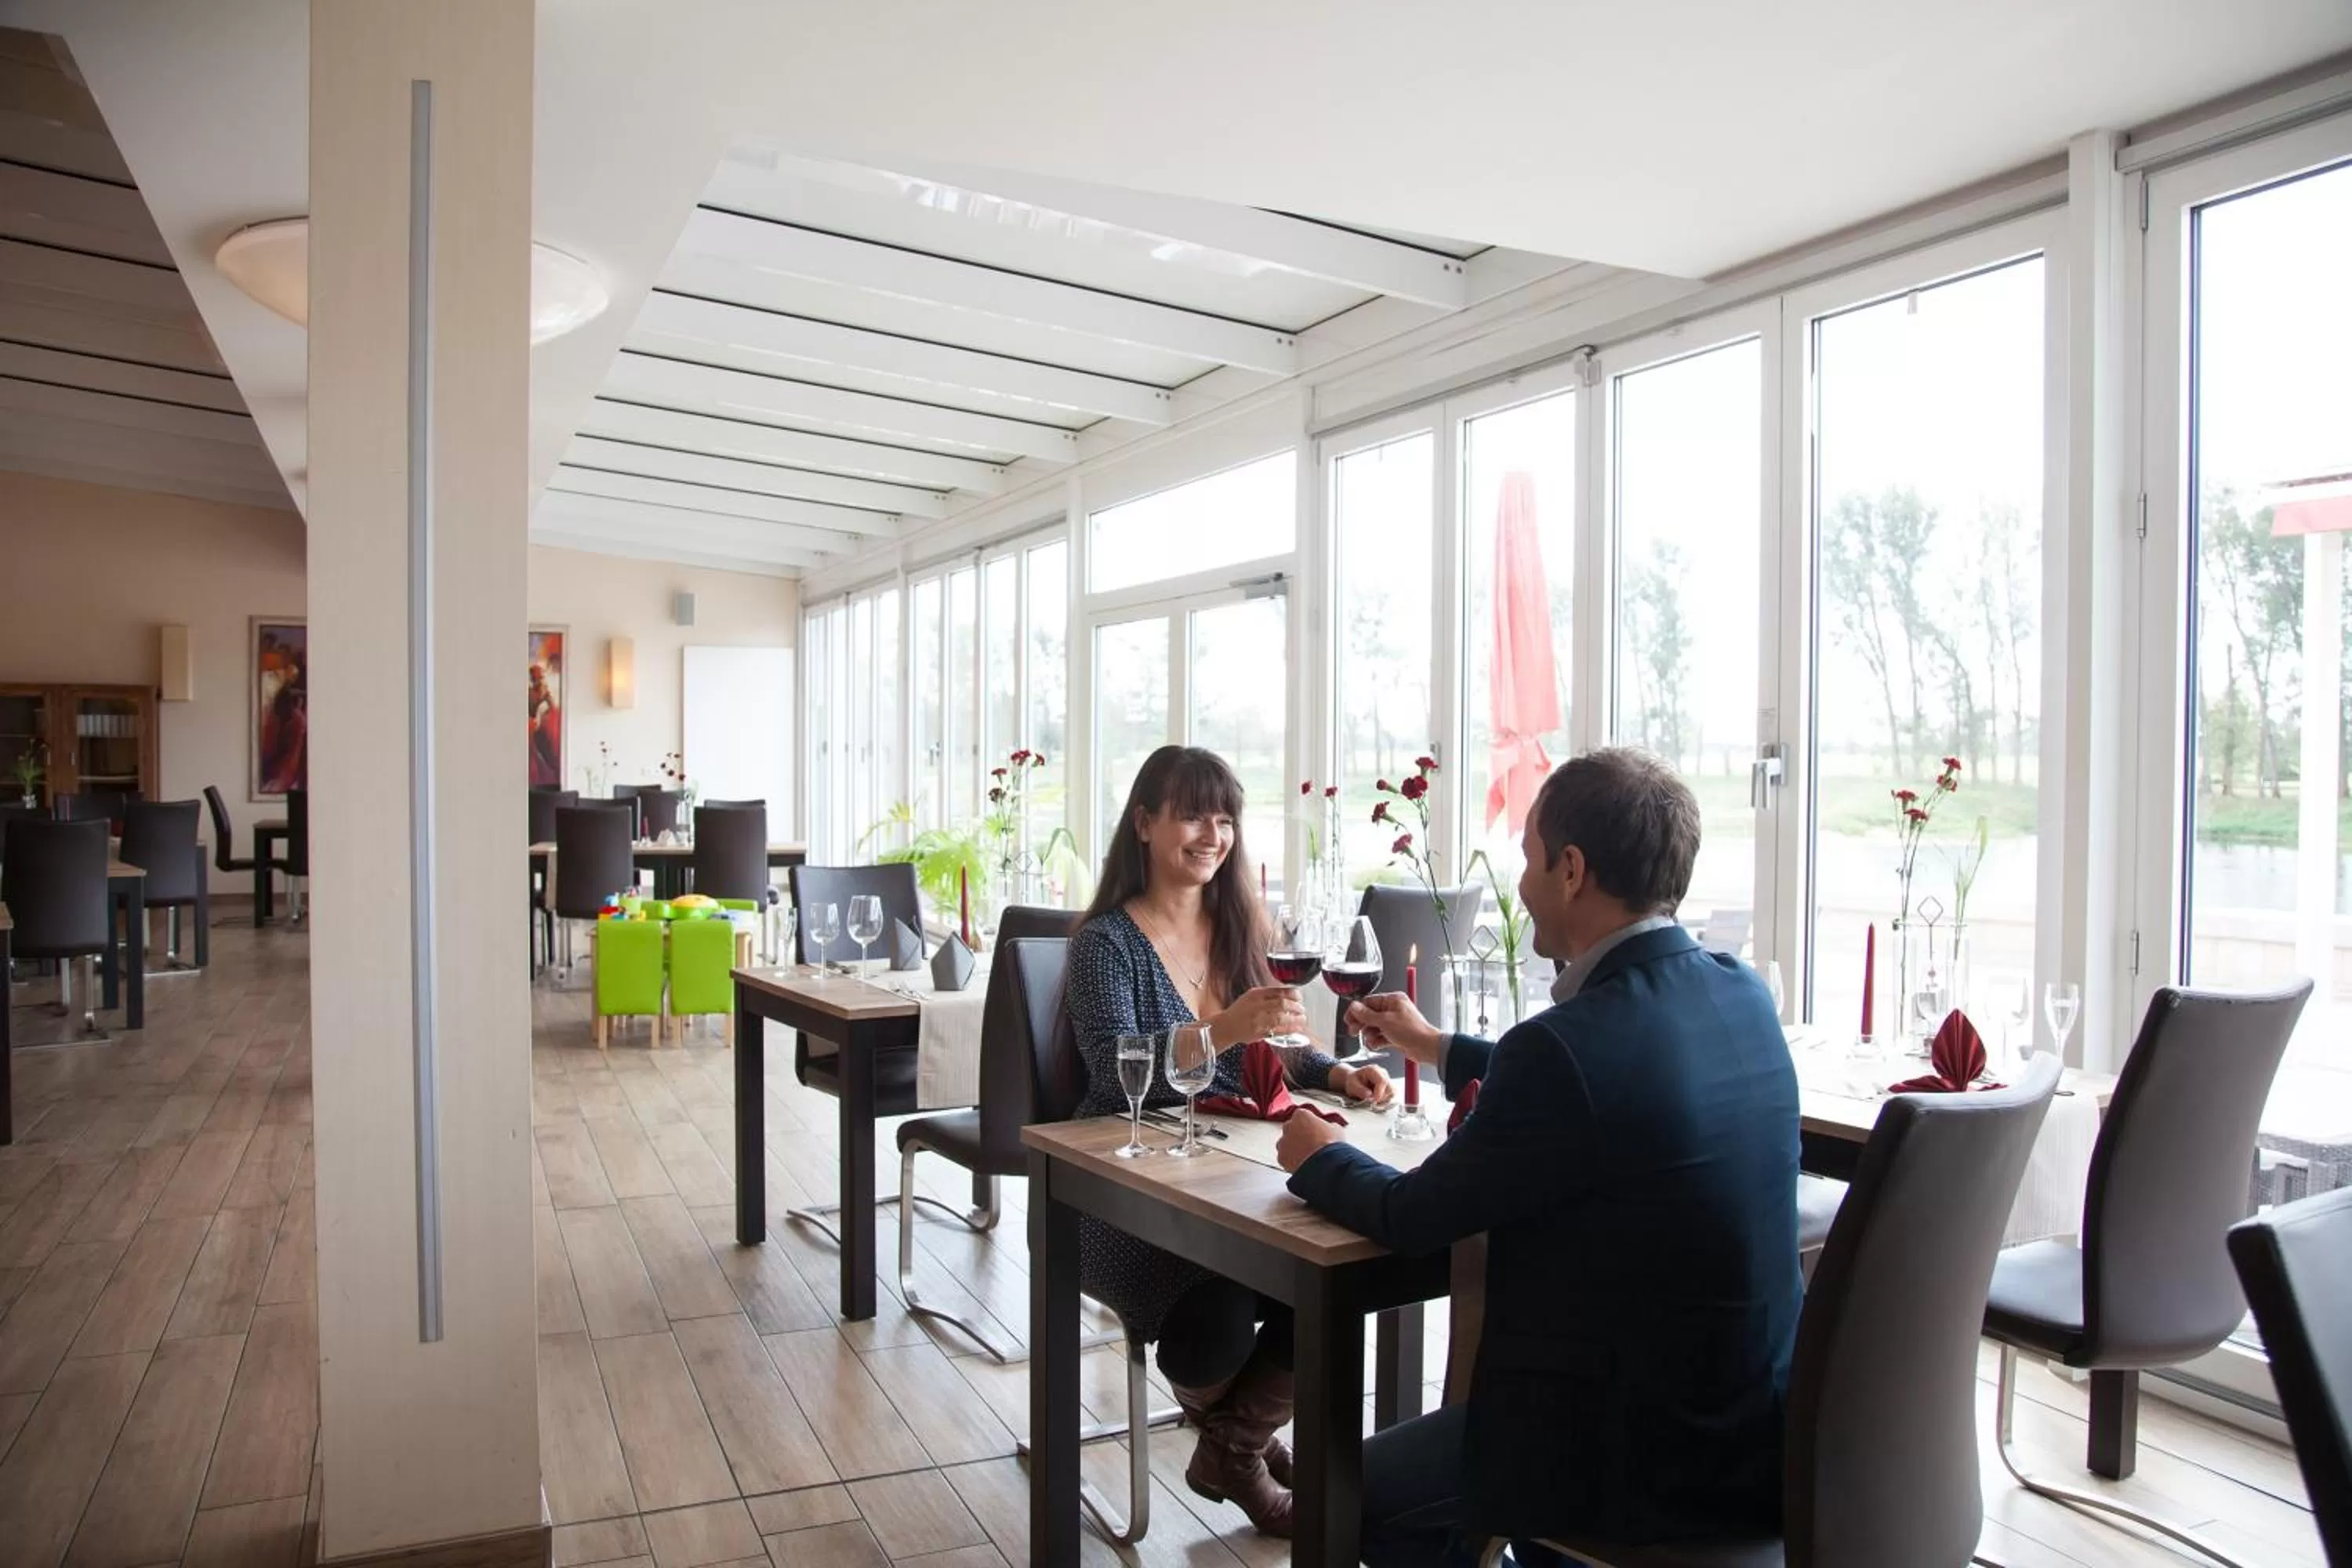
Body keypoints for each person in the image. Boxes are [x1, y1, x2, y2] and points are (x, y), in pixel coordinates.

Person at [1275, 747, 1800, 1566]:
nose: (1521, 884)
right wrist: (1439, 1045)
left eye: (1528, 858)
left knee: (1342, 1489)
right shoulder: (1742, 993)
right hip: (1760, 1443)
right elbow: (1612, 1087)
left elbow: (1412, 1215)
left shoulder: (1563, 1049)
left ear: (1572, 870)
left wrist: (1319, 1153)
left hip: (1628, 1462)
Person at [1065, 745, 1392, 1536]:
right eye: (1191, 815)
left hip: (1233, 1174)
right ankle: (1244, 1446)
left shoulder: (1244, 927)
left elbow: (1271, 1049)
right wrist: (1223, 1027)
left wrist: (1334, 1072)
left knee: (1329, 1268)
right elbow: (1113, 1069)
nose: (1212, 834)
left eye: (1224, 818)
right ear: (1145, 824)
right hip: (1121, 1197)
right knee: (1226, 1301)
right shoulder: (1105, 941)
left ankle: (1234, 1444)